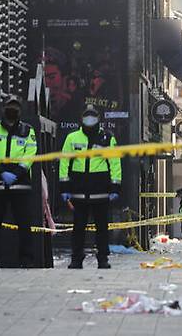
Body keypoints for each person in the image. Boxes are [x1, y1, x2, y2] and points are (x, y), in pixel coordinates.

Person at [59, 105, 122, 269]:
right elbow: (64, 162)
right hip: (78, 190)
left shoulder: (107, 138)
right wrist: (64, 187)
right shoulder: (72, 138)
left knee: (102, 228)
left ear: (98, 119)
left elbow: (115, 163)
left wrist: (115, 187)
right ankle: (76, 259)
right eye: (87, 116)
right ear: (81, 119)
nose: (89, 120)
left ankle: (103, 259)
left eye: (92, 117)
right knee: (78, 228)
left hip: (100, 191)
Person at [0, 95, 38, 268]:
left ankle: (26, 260)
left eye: (15, 107)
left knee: (24, 224)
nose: (12, 110)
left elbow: (30, 155)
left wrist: (16, 173)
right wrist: (1, 172)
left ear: (20, 110)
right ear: (3, 108)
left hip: (20, 183)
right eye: (9, 106)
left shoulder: (28, 131)